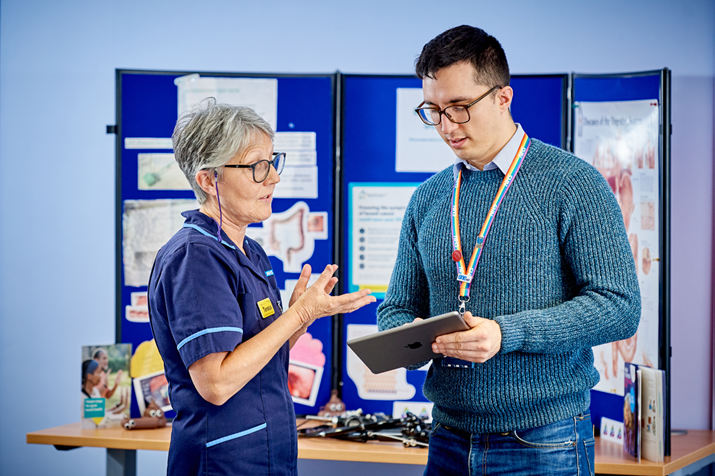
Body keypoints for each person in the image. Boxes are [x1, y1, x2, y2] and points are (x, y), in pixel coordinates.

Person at [377, 25, 640, 475]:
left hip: (544, 440)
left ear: (503, 97)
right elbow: (397, 310)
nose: (447, 126)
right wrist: (415, 339)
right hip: (447, 438)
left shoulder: (571, 182)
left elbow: (618, 307)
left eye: (460, 108)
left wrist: (505, 334)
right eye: (433, 111)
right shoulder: (429, 198)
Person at [148, 100, 375, 476]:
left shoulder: (248, 250)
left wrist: (299, 320)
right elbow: (217, 382)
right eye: (257, 167)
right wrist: (298, 314)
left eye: (273, 162)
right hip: (220, 460)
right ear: (208, 179)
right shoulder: (195, 257)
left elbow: (256, 356)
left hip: (265, 452)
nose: (273, 178)